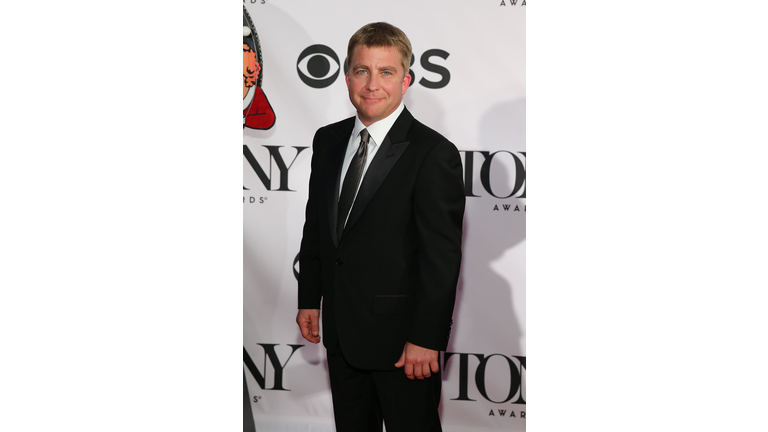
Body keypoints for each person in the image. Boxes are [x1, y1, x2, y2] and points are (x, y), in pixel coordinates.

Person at [296, 22, 465, 432]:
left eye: (386, 72)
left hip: (403, 345)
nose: (372, 85)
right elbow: (317, 225)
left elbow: (441, 257)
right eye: (361, 71)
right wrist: (309, 297)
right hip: (340, 335)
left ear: (406, 80)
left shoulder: (433, 152)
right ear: (346, 75)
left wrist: (426, 338)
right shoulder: (328, 140)